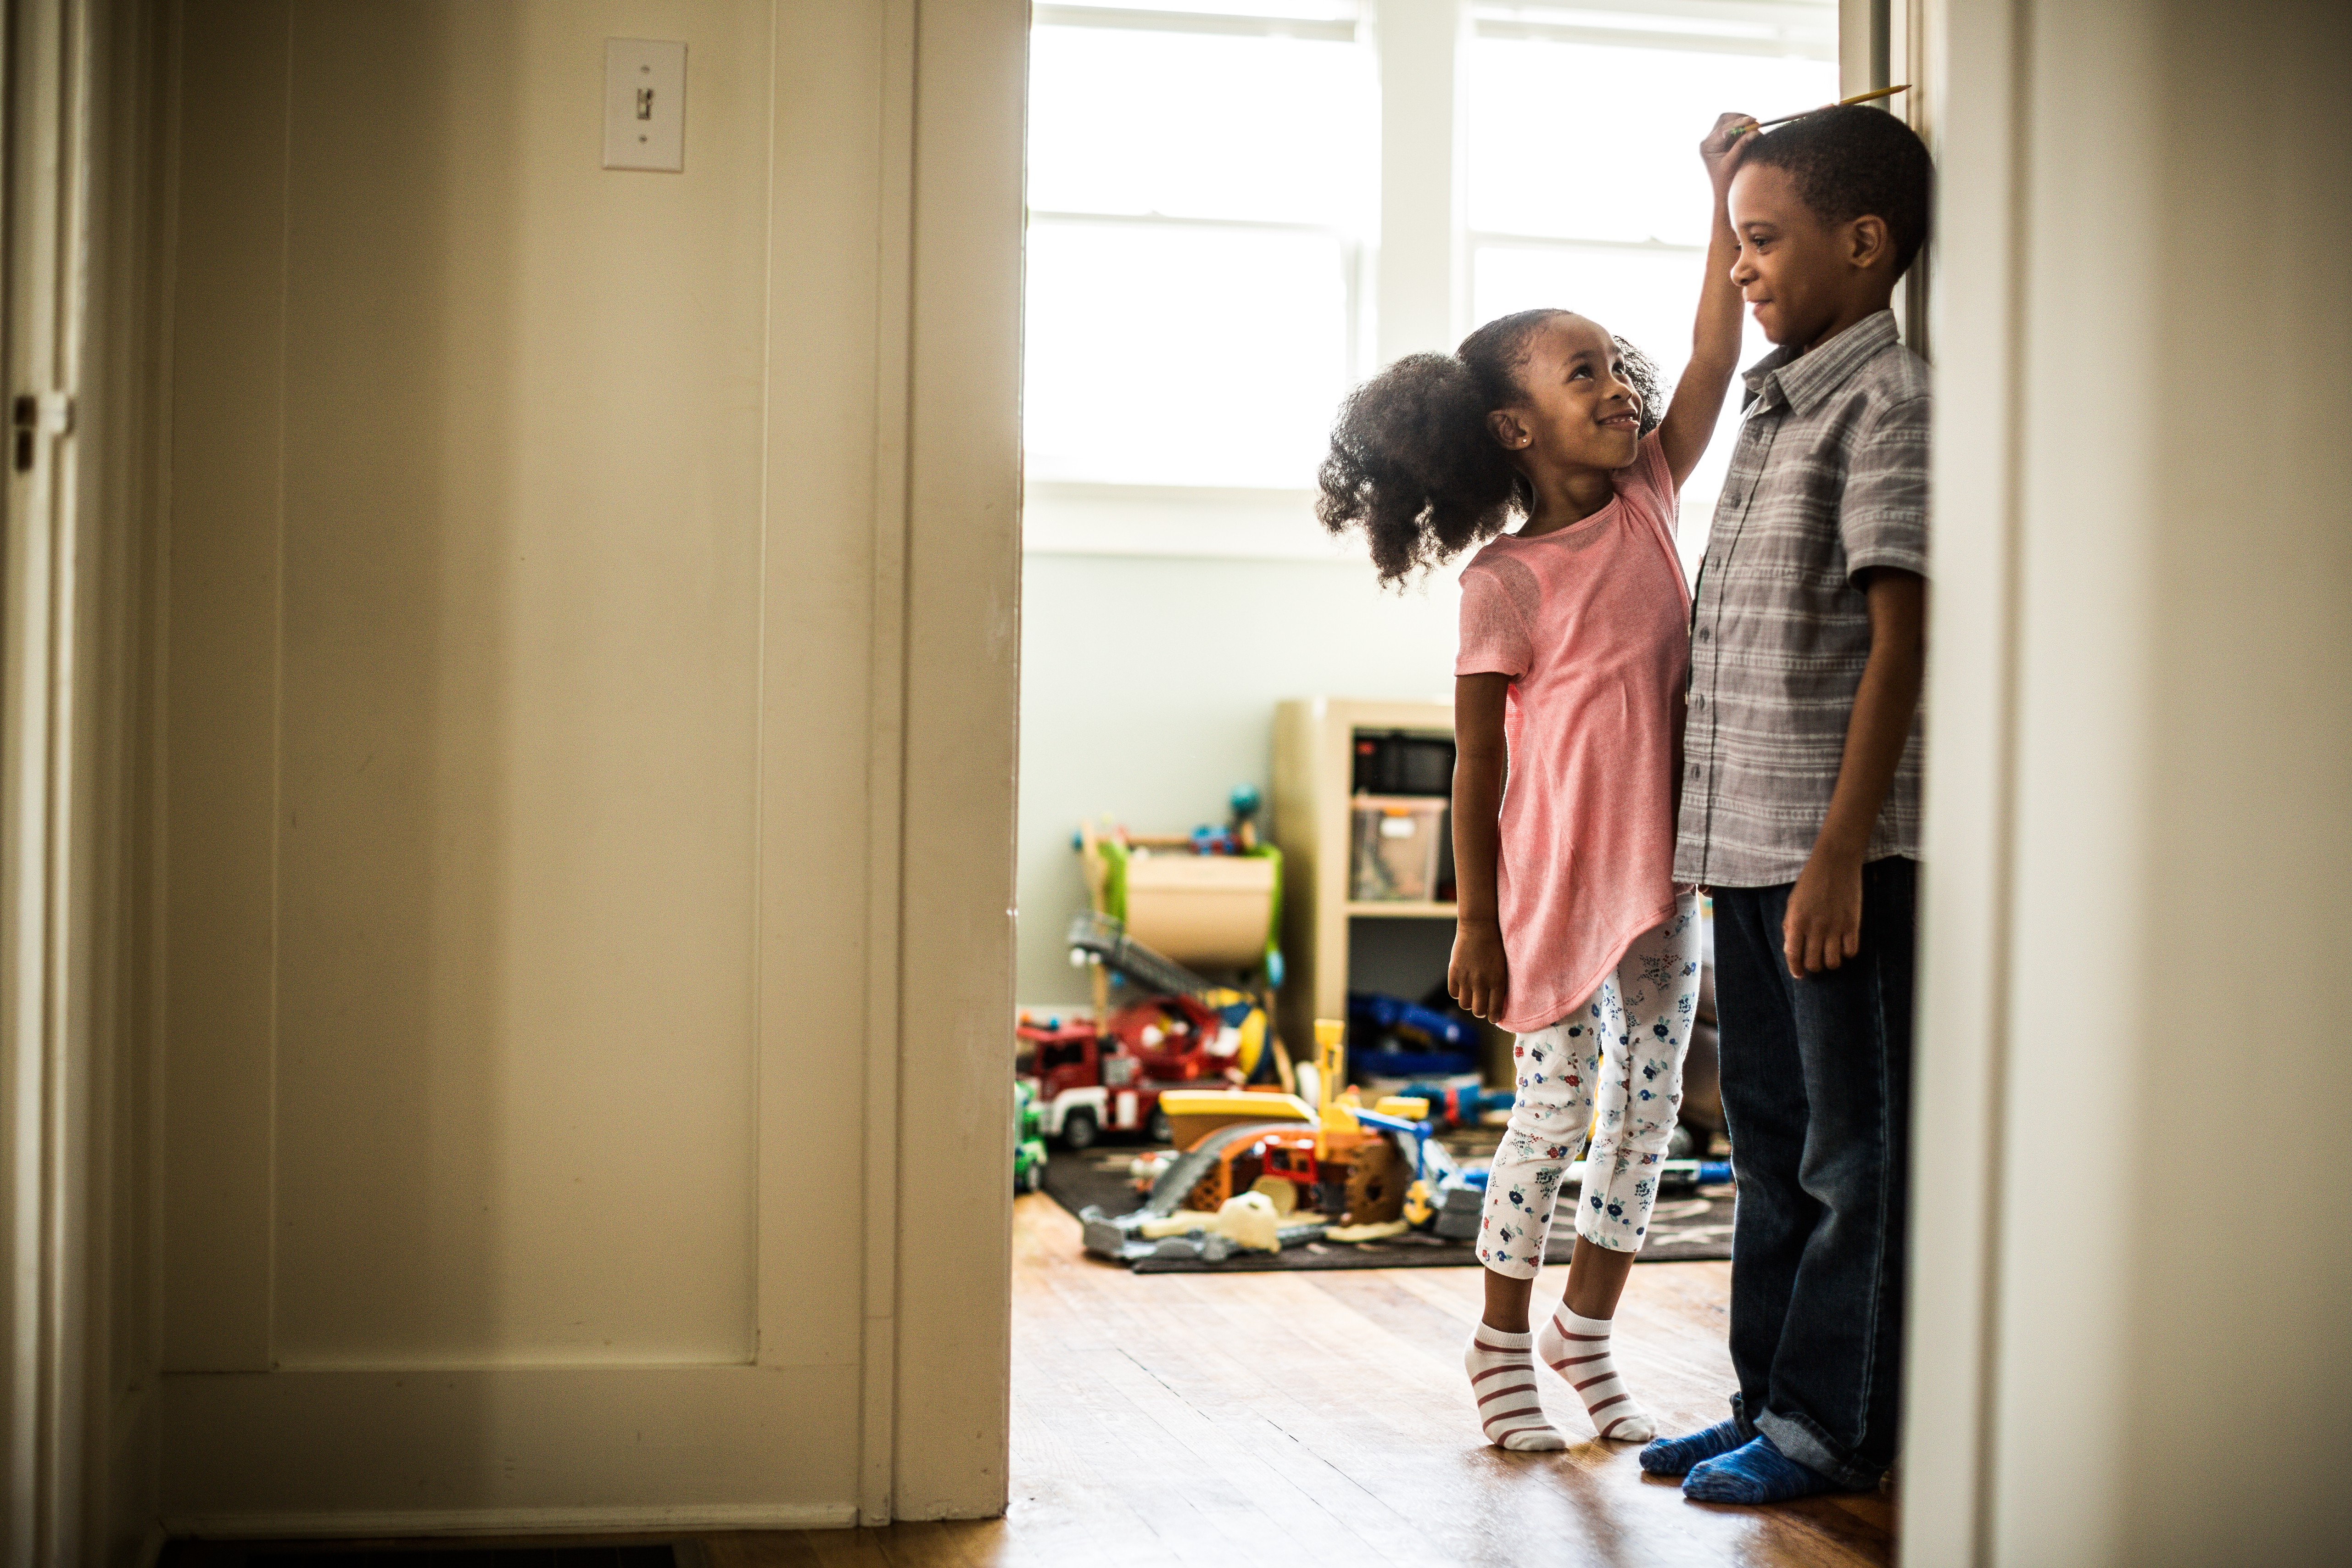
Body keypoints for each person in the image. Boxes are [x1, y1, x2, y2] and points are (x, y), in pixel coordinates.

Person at [1316, 112, 1754, 1450]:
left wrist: (1723, 197)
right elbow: (1482, 762)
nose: (1622, 385)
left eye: (1619, 365)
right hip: (1556, 885)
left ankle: (1589, 1327)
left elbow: (1716, 352)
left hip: (1663, 876)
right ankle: (1500, 1335)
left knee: (1646, 1124)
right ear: (1515, 424)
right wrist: (1473, 919)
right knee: (1552, 1115)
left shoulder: (1652, 496)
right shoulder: (1503, 582)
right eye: (1586, 373)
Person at [1634, 104, 1934, 1503]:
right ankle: (1764, 1396)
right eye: (1736, 244)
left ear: (1862, 246)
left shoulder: (1889, 404)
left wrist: (1836, 854)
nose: (1744, 268)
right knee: (1761, 1140)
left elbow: (1899, 639)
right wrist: (1721, 194)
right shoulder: (1771, 399)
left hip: (1830, 856)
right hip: (1740, 845)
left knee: (1844, 1155)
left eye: (1766, 241)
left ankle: (1830, 1425)